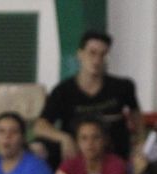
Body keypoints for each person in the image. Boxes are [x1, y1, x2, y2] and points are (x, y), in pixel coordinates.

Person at [36, 29, 139, 164]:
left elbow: (136, 115)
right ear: (80, 54)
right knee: (37, 147)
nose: (97, 60)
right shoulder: (63, 91)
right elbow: (40, 126)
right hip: (76, 155)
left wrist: (140, 141)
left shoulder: (122, 87)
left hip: (114, 155)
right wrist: (64, 138)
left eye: (103, 55)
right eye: (92, 53)